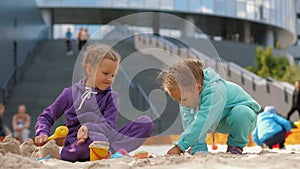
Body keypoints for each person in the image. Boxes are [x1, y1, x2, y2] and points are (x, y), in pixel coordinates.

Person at [35, 44, 154, 162]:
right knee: (92, 141)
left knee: (146, 123)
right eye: (106, 73)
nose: (110, 79)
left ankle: (107, 151)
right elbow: (47, 116)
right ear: (90, 69)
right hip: (80, 142)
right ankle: (105, 152)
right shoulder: (70, 93)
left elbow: (108, 126)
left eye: (113, 75)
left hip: (106, 137)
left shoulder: (111, 97)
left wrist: (88, 127)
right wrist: (42, 132)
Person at [161, 58, 260, 155]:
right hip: (218, 122)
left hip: (243, 119)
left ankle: (235, 145)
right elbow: (190, 123)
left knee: (241, 113)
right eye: (178, 100)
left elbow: (203, 121)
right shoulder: (186, 95)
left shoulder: (215, 91)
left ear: (198, 88)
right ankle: (198, 146)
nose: (181, 104)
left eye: (183, 99)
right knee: (196, 122)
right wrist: (198, 148)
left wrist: (180, 146)